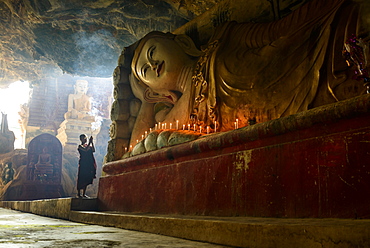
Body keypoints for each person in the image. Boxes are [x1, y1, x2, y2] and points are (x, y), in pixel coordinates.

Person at [120, 0, 367, 147]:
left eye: (153, 52)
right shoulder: (178, 113)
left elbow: (280, 32)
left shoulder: (224, 37)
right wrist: (146, 102)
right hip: (294, 119)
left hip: (310, 60)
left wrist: (333, 7)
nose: (152, 64)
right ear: (157, 91)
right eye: (145, 70)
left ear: (183, 44)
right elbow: (139, 146)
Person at [77, 134, 96, 198]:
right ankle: (79, 193)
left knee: (86, 179)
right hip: (83, 165)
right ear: (81, 139)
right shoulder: (80, 146)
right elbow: (85, 150)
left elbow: (93, 150)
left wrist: (92, 142)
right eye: (84, 138)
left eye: (85, 138)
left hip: (88, 165)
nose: (85, 139)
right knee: (81, 178)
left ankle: (84, 193)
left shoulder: (87, 146)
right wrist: (89, 143)